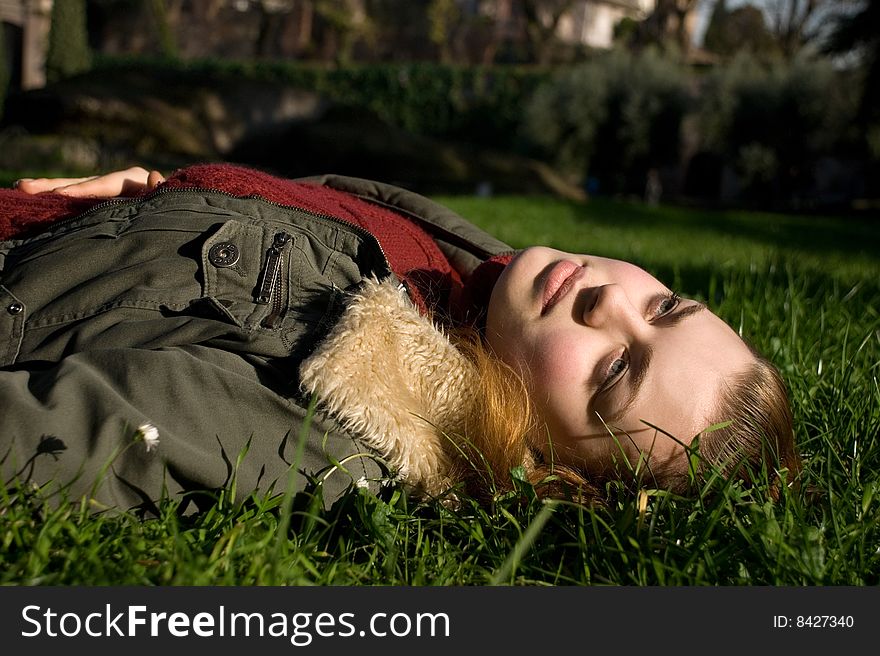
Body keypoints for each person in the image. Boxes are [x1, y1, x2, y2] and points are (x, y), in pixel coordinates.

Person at [0, 164, 800, 513]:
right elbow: (295, 214)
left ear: (552, 470)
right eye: (664, 306)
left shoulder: (345, 400)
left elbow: (68, 433)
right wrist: (161, 201)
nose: (609, 302)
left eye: (618, 368)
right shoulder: (481, 287)